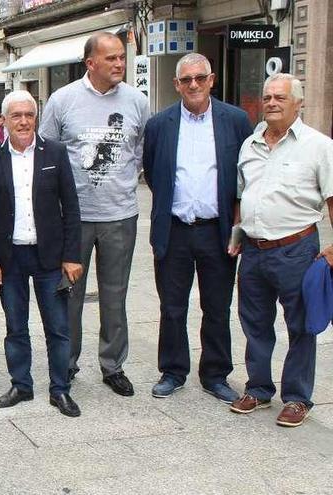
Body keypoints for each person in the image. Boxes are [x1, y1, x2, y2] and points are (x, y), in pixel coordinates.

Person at [38, 32, 149, 396]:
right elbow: (45, 154)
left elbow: (143, 151)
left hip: (120, 214)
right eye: (111, 59)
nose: (119, 64)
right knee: (69, 295)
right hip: (74, 218)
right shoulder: (63, 100)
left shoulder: (137, 101)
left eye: (121, 58)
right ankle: (66, 363)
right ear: (91, 63)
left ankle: (113, 365)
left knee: (115, 296)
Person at [142, 53, 253, 403]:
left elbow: (244, 176)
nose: (193, 85)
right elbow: (154, 172)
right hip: (174, 230)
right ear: (176, 85)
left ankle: (216, 374)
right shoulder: (159, 124)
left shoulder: (235, 120)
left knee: (217, 307)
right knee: (172, 307)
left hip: (216, 231)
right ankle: (173, 371)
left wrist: (237, 227)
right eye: (186, 80)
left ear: (211, 79)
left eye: (199, 78)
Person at [228, 73, 333, 428]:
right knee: (254, 323)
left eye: (280, 98)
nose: (272, 103)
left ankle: (298, 398)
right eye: (268, 96)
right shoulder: (250, 144)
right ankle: (258, 389)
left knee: (300, 325)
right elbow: (242, 196)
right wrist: (236, 234)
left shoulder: (319, 146)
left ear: (298, 103)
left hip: (296, 249)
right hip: (253, 251)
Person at [0, 90, 83, 416]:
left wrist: (72, 255)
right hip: (10, 259)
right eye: (16, 116)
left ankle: (60, 389)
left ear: (36, 118)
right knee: (16, 326)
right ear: (4, 121)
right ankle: (21, 384)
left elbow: (72, 208)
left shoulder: (56, 152)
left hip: (49, 256)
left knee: (58, 327)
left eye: (29, 115)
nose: (23, 121)